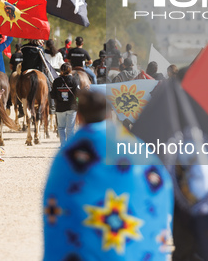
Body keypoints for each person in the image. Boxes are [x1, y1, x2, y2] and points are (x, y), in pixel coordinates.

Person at [42, 90, 173, 259]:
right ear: (110, 113)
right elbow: (157, 186)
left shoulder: (68, 155)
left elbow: (57, 200)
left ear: (79, 116)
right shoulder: (135, 147)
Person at [50, 63, 80, 146]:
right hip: (71, 107)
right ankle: (70, 147)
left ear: (61, 71)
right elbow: (78, 93)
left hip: (60, 108)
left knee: (61, 128)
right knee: (70, 129)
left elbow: (52, 95)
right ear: (70, 70)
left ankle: (63, 146)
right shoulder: (74, 80)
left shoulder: (56, 81)